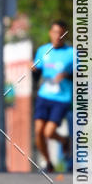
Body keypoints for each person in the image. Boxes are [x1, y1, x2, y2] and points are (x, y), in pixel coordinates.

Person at [32, 20, 74, 172]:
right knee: (38, 131)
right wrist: (34, 71)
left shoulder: (72, 53)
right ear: (50, 33)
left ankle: (63, 141)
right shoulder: (43, 51)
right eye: (55, 33)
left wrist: (66, 75)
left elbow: (80, 75)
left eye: (61, 34)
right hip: (44, 95)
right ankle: (48, 163)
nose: (57, 36)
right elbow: (36, 71)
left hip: (61, 98)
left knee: (48, 132)